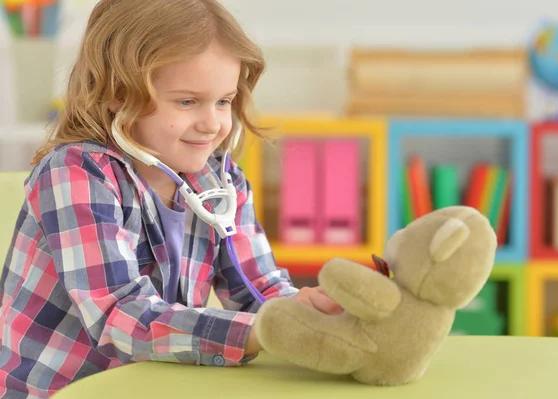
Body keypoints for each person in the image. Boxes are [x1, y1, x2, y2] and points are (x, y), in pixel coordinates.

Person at [0, 1, 342, 397]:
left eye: (223, 101)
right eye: (187, 101)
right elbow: (120, 319)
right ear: (116, 92)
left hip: (153, 386)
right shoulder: (76, 175)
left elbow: (258, 290)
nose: (212, 123)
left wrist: (310, 313)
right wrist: (269, 328)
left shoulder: (220, 180)